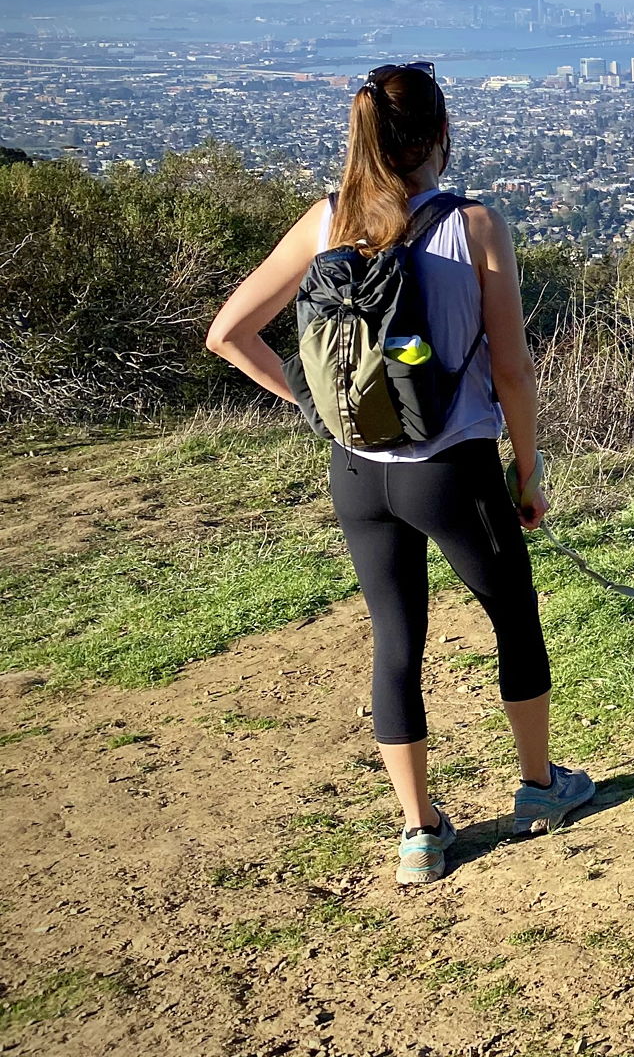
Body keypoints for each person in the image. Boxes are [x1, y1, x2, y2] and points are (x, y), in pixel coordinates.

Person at [207, 62, 593, 884]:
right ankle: (538, 788)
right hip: (452, 470)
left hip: (358, 475)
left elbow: (229, 333)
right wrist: (527, 473)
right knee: (514, 619)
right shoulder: (476, 225)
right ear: (440, 137)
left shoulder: (322, 223)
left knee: (395, 641)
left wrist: (313, 407)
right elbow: (514, 371)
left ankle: (420, 833)